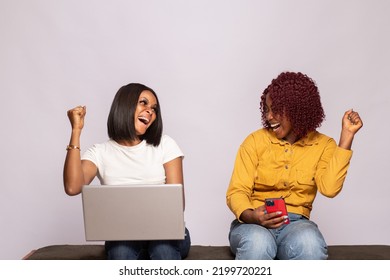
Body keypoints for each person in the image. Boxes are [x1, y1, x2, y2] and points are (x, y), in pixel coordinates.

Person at [226, 71, 363, 260]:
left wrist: (346, 137)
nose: (269, 116)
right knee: (258, 244)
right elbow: (237, 192)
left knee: (309, 244)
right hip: (252, 224)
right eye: (267, 109)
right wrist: (252, 216)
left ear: (297, 109)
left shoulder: (323, 145)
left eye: (276, 110)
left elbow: (330, 189)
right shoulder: (254, 141)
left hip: (295, 224)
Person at [63, 83, 191, 260]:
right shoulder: (100, 152)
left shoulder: (165, 145)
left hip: (166, 233)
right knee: (120, 253)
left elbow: (177, 205)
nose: (150, 111)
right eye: (143, 103)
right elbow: (72, 187)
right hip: (123, 235)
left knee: (163, 250)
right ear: (125, 105)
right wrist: (76, 130)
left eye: (154, 108)